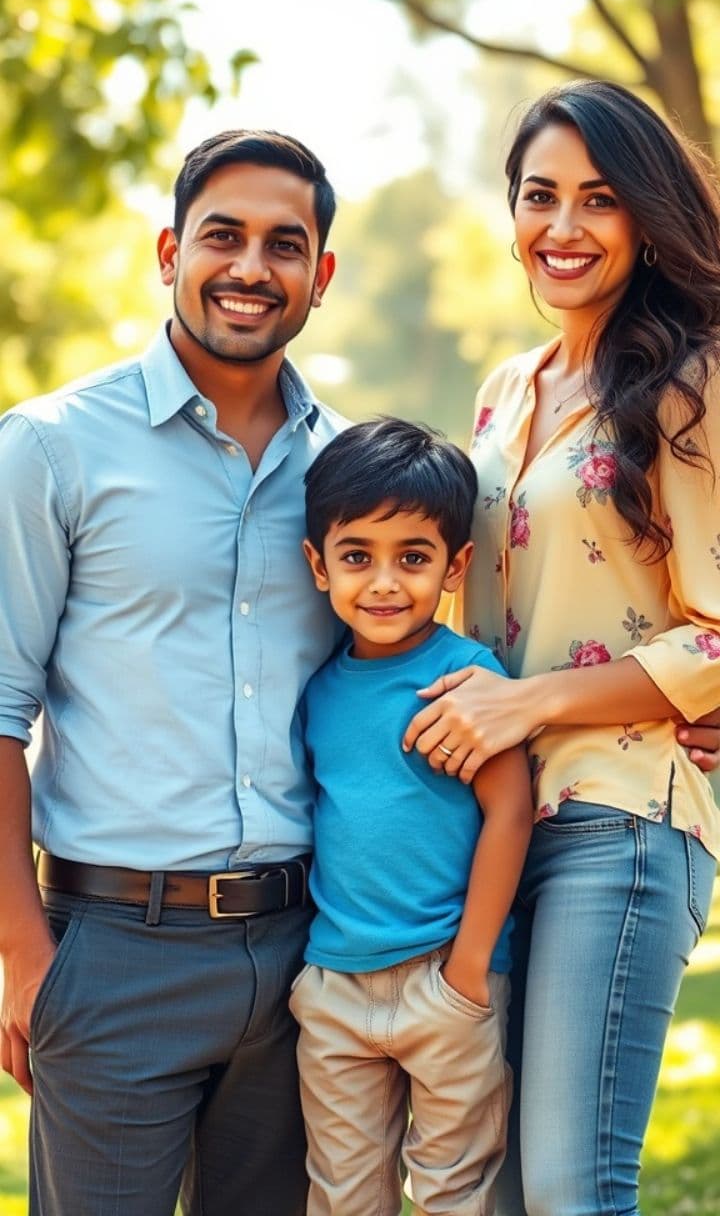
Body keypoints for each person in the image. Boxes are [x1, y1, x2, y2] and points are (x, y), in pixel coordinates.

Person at [0, 130, 346, 1216]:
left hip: (306, 956)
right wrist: (26, 957)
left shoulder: (345, 471)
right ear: (169, 252)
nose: (251, 267)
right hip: (114, 952)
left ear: (322, 275)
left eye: (285, 244)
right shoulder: (51, 447)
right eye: (222, 236)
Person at [402, 80, 720, 1216]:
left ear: (648, 215)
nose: (564, 226)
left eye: (600, 198)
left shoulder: (694, 381)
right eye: (540, 196)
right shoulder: (505, 390)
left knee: (570, 1189)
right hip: (489, 824)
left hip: (620, 814)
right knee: (483, 1188)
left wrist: (529, 703)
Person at [292, 417, 533, 1216]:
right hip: (336, 988)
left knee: (451, 1192)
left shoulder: (468, 679)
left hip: (446, 978)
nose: (385, 582)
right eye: (357, 556)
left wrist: (468, 972)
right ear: (318, 565)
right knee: (343, 1196)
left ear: (455, 566)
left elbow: (510, 815)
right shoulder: (318, 691)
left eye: (414, 558)